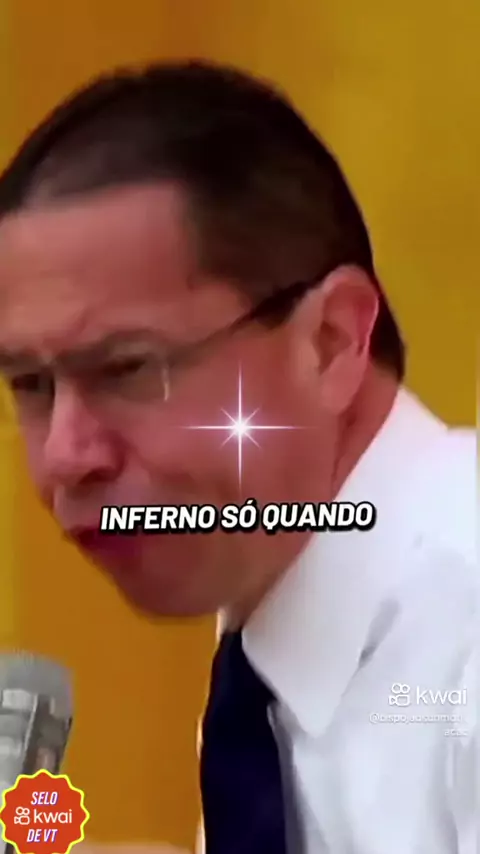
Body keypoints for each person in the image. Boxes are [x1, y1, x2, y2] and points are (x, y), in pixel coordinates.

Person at [0, 61, 475, 854]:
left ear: (330, 343)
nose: (65, 456)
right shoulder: (267, 650)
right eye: (29, 384)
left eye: (129, 368)